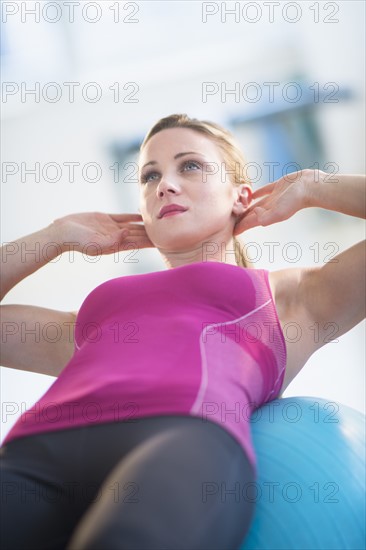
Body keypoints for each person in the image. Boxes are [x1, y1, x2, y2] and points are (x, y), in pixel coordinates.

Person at [0, 113, 365, 550]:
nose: (164, 185)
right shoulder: (91, 318)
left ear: (240, 196)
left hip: (182, 445)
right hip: (36, 447)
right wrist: (55, 236)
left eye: (189, 166)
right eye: (150, 175)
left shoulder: (290, 298)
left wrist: (313, 186)